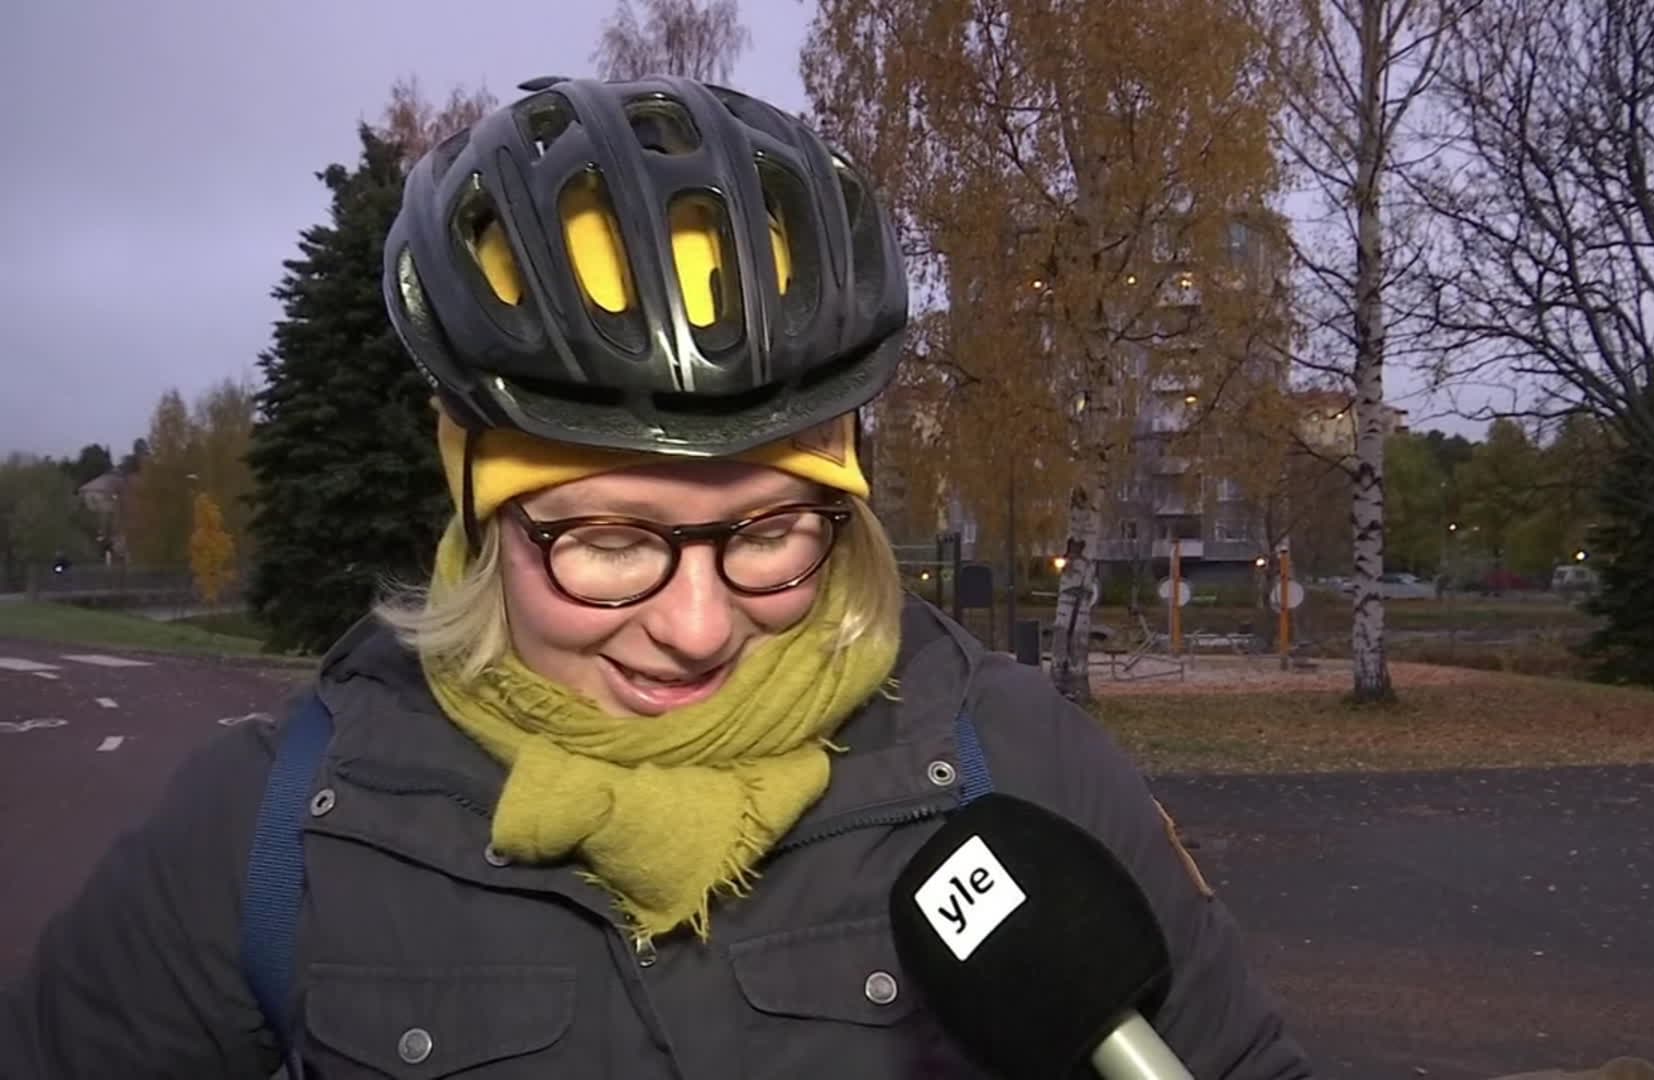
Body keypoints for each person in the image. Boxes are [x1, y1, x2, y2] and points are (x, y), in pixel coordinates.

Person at [1, 75, 1312, 1078]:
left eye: (769, 530)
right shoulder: (273, 829)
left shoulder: (1017, 766)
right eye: (611, 540)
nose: (695, 628)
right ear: (477, 507)